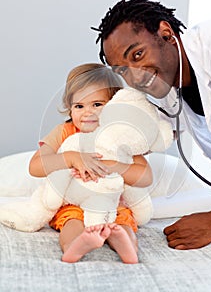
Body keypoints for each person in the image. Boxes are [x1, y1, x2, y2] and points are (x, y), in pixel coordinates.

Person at [92, 0, 211, 250]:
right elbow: (136, 137)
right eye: (122, 70)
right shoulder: (167, 88)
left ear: (166, 33)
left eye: (137, 54)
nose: (135, 76)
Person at [29, 63, 153, 263]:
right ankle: (75, 246)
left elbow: (145, 177)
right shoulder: (65, 132)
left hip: (113, 203)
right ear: (70, 109)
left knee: (123, 224)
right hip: (74, 203)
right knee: (71, 223)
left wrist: (113, 165)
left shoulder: (121, 135)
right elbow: (35, 166)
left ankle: (127, 245)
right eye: (79, 106)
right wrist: (71, 157)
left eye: (97, 104)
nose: (88, 112)